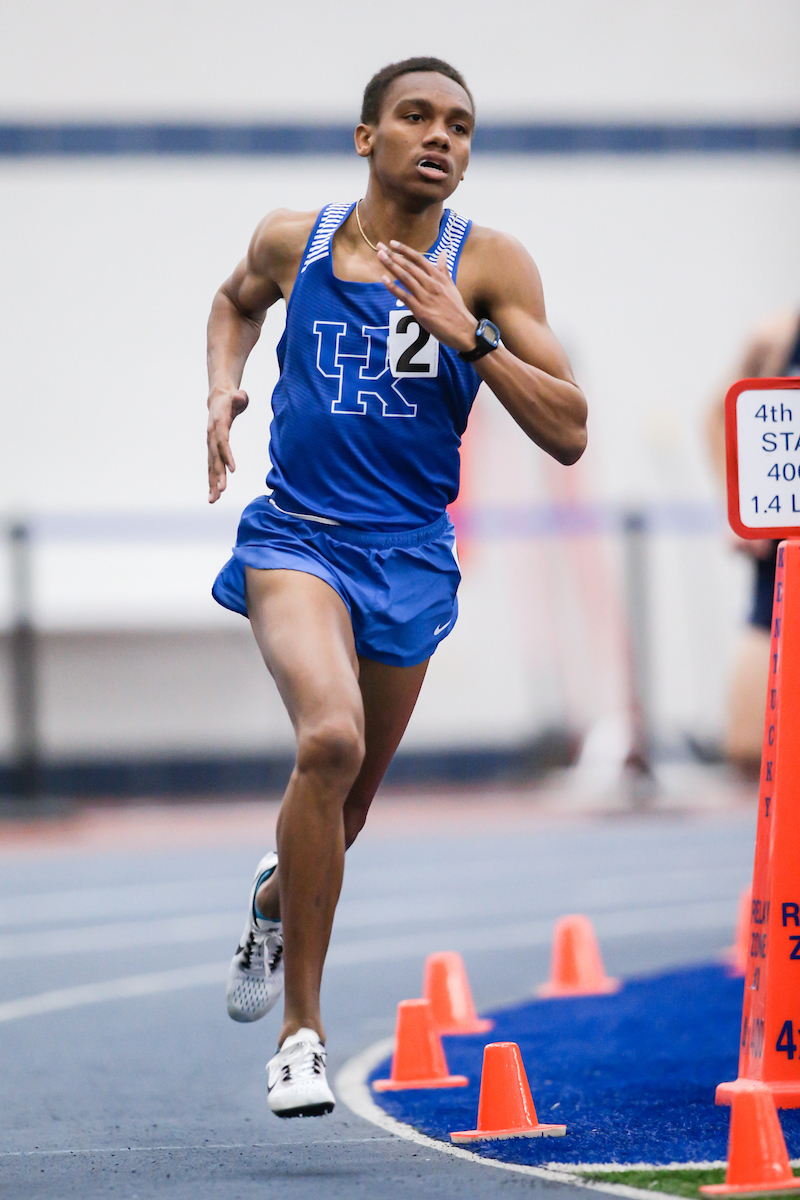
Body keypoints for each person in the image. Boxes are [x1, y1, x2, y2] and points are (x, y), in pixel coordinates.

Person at [206, 56, 587, 1118]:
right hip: (298, 538)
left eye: (459, 126)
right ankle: (301, 1032)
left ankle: (278, 895)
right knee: (327, 743)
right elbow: (233, 301)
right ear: (364, 136)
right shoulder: (299, 240)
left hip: (410, 553)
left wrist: (475, 338)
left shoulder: (491, 268)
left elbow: (567, 429)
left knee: (353, 801)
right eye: (415, 117)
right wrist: (220, 386)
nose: (440, 138)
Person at [707, 311, 800, 774]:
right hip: (784, 532)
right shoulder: (778, 336)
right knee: (748, 749)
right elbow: (721, 408)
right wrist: (738, 501)